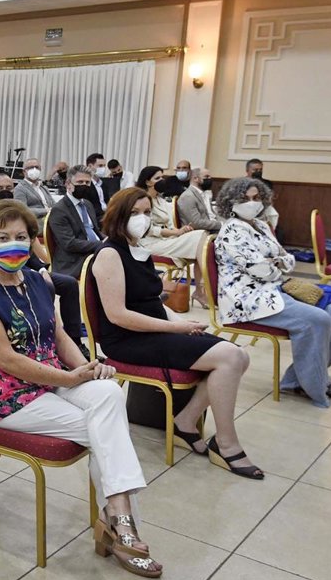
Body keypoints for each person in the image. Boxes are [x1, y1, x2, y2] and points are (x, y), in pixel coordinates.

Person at [0, 200, 161, 577]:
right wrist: (70, 379)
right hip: (7, 398)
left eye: (21, 236)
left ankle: (115, 519)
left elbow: (59, 334)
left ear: (33, 240)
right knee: (105, 429)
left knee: (109, 394)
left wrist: (84, 368)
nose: (13, 245)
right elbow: (6, 360)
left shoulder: (35, 280)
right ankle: (122, 525)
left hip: (50, 379)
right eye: (2, 237)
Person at [94, 187, 261, 480]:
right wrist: (176, 328)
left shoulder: (137, 248)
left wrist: (182, 322)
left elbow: (151, 302)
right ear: (118, 216)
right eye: (134, 213)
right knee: (230, 358)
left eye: (147, 212)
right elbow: (118, 315)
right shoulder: (110, 253)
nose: (143, 218)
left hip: (153, 331)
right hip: (127, 339)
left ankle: (185, 421)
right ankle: (225, 443)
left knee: (240, 357)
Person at [214, 177, 331, 408]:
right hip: (247, 299)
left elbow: (288, 259)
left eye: (256, 198)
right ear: (230, 202)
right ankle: (316, 386)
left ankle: (296, 381)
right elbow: (261, 269)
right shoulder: (231, 230)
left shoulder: (261, 225)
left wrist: (275, 263)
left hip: (273, 289)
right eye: (245, 199)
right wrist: (275, 264)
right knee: (318, 319)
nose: (252, 203)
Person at [133, 166, 207, 278]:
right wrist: (175, 233)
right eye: (157, 178)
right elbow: (148, 229)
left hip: (167, 239)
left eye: (162, 177)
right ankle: (207, 282)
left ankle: (201, 286)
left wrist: (182, 230)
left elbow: (171, 225)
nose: (162, 181)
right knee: (199, 237)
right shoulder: (141, 201)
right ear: (148, 182)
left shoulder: (161, 200)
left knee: (202, 236)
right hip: (150, 243)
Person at [46, 165, 104, 278]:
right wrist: (101, 244)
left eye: (87, 183)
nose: (84, 185)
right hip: (74, 260)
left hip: (95, 251)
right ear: (68, 184)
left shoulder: (87, 204)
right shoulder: (59, 210)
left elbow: (95, 231)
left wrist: (110, 240)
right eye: (80, 182)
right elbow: (69, 244)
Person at [176, 167, 220, 233]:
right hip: (201, 232)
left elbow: (211, 214)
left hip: (212, 228)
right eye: (206, 177)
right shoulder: (188, 196)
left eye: (210, 177)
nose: (209, 179)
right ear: (195, 178)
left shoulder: (204, 193)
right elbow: (196, 223)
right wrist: (221, 224)